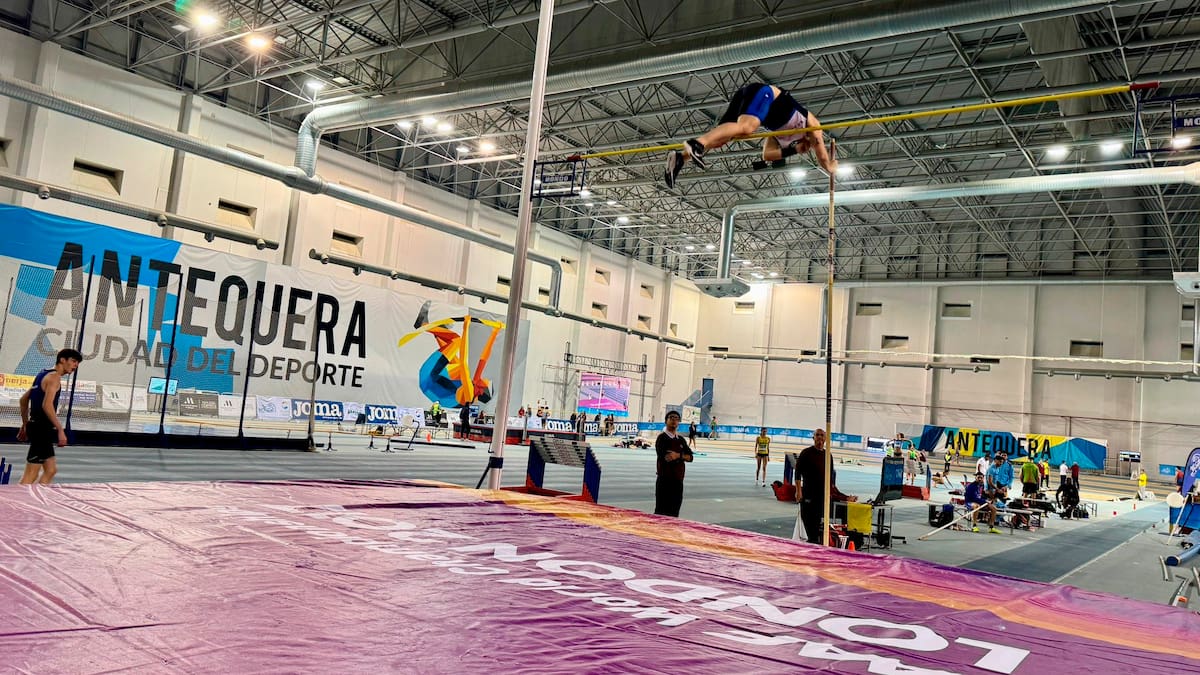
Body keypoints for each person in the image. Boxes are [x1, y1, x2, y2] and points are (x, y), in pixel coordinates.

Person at [664, 82, 836, 188]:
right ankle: (696, 144)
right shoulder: (813, 125)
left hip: (749, 96)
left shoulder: (784, 136)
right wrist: (830, 167)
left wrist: (796, 150)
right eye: (814, 143)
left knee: (722, 139)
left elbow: (767, 155)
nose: (813, 144)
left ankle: (680, 158)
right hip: (765, 93)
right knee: (747, 127)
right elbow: (822, 155)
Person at [17, 348, 83, 485]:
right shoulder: (54, 378)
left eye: (77, 363)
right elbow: (46, 405)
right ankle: (14, 504)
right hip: (41, 429)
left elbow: (23, 399)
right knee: (31, 474)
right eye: (74, 361)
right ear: (62, 360)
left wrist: (25, 424)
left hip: (39, 428)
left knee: (51, 470)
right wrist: (60, 429)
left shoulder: (43, 374)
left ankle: (37, 499)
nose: (75, 365)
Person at [794, 428, 856, 545]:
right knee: (809, 525)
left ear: (826, 439)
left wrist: (842, 496)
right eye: (817, 435)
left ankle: (818, 543)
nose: (820, 438)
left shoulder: (828, 455)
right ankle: (811, 544)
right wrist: (798, 491)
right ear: (813, 438)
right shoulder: (806, 453)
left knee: (817, 525)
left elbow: (830, 478)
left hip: (822, 497)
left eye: (822, 435)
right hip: (808, 495)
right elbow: (797, 473)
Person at [654, 410, 694, 517]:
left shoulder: (681, 440)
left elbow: (690, 457)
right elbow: (666, 457)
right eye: (671, 418)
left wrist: (678, 456)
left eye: (677, 418)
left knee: (675, 512)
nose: (674, 420)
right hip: (665, 481)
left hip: (678, 481)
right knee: (661, 512)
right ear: (666, 421)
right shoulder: (662, 438)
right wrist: (682, 456)